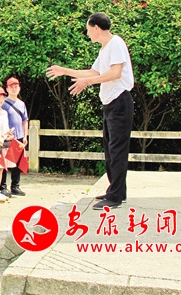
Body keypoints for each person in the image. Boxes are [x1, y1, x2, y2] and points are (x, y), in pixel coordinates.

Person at [46, 12, 134, 210]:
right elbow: (93, 72)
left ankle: (115, 196)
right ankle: (116, 190)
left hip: (120, 100)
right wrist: (64, 71)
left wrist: (87, 82)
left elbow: (115, 73)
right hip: (110, 103)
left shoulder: (116, 43)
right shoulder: (104, 49)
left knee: (117, 149)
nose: (87, 34)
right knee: (110, 149)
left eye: (88, 29)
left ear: (96, 28)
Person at [0, 77, 29, 197]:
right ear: (7, 89)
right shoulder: (3, 103)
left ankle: (15, 186)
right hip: (7, 137)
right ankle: (2, 186)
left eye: (16, 87)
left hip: (19, 136)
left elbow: (25, 120)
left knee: (18, 163)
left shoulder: (21, 104)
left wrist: (25, 136)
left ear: (19, 88)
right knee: (4, 162)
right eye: (11, 87)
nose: (13, 89)